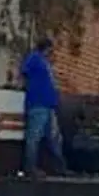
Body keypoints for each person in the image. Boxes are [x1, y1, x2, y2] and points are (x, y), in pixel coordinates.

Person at [20, 37, 67, 177]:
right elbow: (24, 73)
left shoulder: (45, 62)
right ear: (47, 48)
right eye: (51, 49)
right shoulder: (34, 57)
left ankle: (59, 167)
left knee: (55, 137)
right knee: (34, 136)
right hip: (38, 103)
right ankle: (30, 167)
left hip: (48, 104)